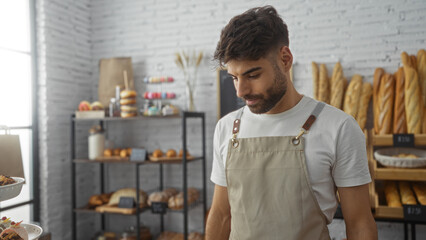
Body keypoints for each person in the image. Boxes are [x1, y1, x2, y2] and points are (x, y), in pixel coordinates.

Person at [206, 5, 377, 240]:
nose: (240, 91)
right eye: (234, 77)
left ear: (285, 59)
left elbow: (359, 224)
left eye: (253, 75)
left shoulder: (339, 128)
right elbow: (221, 215)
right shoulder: (226, 129)